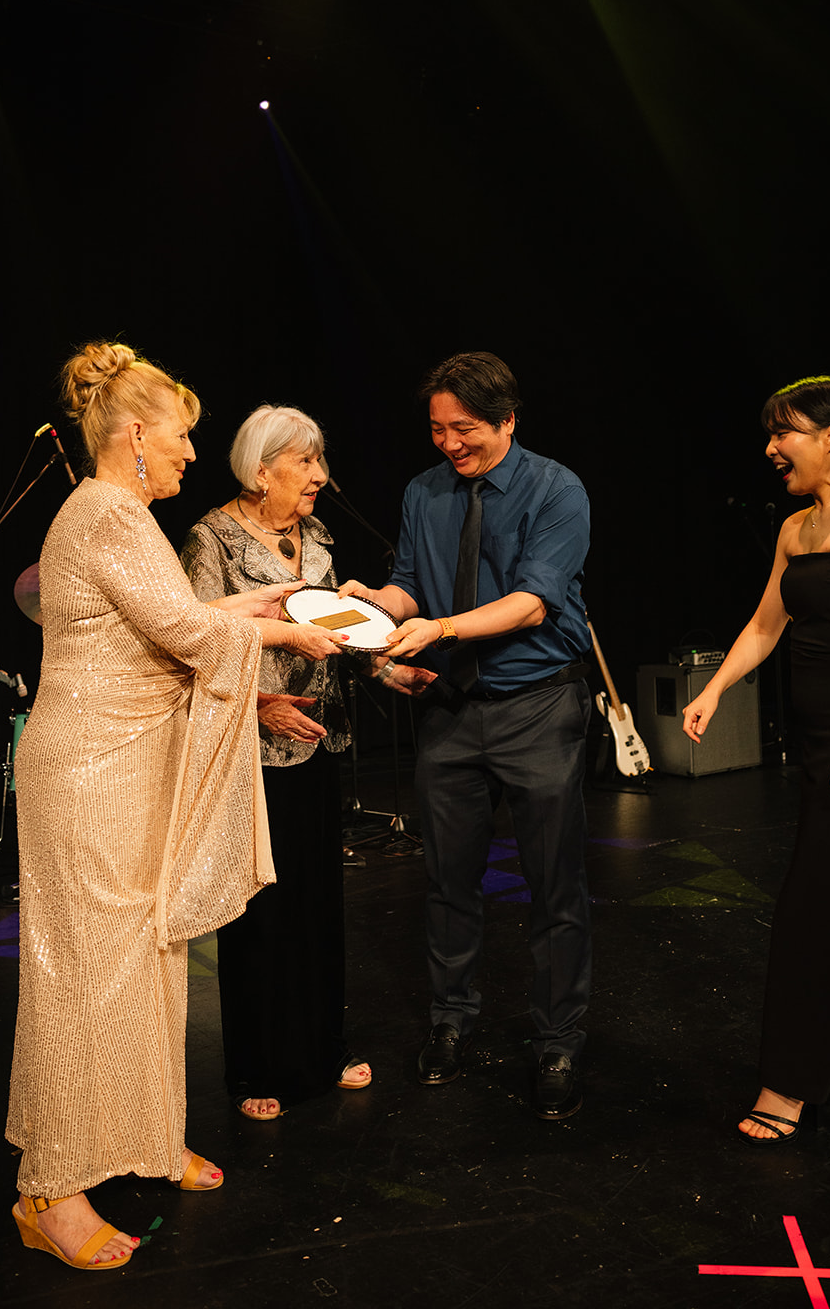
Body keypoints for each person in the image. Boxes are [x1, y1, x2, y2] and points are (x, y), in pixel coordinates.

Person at [6, 344, 341, 1271]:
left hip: (127, 766)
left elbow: (171, 619)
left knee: (148, 961)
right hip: (89, 774)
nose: (194, 454)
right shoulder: (108, 512)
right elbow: (187, 630)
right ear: (136, 435)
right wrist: (285, 631)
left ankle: (146, 1138)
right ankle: (50, 1188)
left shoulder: (123, 516)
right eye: (184, 437)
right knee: (83, 976)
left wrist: (267, 598)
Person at [340, 351, 593, 1120]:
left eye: (466, 429)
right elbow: (409, 584)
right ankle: (450, 1024)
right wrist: (367, 606)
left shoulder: (556, 490)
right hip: (450, 710)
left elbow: (531, 603)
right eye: (436, 429)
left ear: (507, 420)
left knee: (553, 886)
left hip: (538, 708)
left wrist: (439, 628)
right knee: (448, 883)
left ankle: (557, 1042)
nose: (450, 443)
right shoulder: (423, 491)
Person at [181, 404, 435, 1121]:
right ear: (262, 472)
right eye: (305, 462)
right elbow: (194, 644)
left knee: (318, 906)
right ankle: (257, 1069)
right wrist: (259, 704)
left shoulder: (316, 536)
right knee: (261, 909)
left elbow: (336, 636)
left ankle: (324, 1049)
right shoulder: (211, 540)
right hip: (252, 750)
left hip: (321, 741)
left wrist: (389, 671)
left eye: (319, 460)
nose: (320, 474)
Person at [682, 375, 830, 1144]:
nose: (770, 448)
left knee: (821, 914)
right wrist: (713, 689)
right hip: (821, 749)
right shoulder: (795, 529)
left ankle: (787, 1086)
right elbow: (763, 625)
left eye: (782, 431)